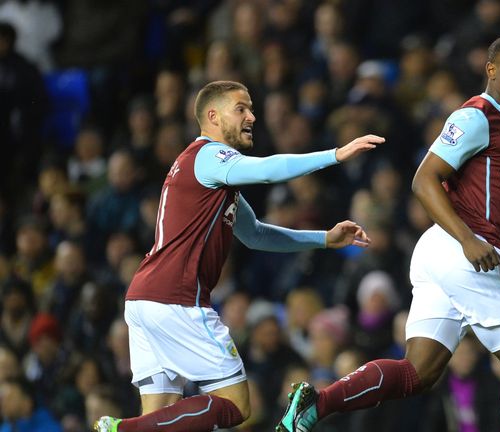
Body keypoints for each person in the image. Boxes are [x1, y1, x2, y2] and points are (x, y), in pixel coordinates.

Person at [278, 35, 500, 432]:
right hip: (467, 248)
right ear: (491, 70)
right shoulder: (475, 116)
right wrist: (469, 240)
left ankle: (317, 404)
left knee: (417, 373)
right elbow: (424, 180)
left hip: (441, 253)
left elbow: (475, 185)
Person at [94, 80, 384, 432]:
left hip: (145, 298)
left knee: (159, 421)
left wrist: (324, 238)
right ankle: (120, 430)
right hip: (177, 299)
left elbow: (256, 234)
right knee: (236, 405)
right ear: (213, 117)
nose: (252, 116)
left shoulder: (209, 175)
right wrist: (335, 154)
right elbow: (265, 170)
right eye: (241, 109)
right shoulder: (209, 156)